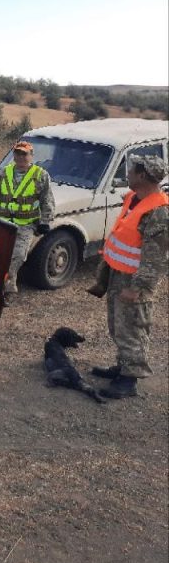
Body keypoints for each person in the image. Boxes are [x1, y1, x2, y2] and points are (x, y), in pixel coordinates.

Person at [89, 155, 168, 399]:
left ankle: (129, 379)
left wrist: (138, 288)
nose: (128, 174)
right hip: (118, 274)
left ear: (142, 175)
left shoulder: (158, 212)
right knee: (118, 326)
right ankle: (123, 366)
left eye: (131, 170)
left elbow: (156, 258)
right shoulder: (134, 198)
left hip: (134, 281)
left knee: (132, 328)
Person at [0, 141, 55, 303]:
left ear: (31, 156)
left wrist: (45, 221)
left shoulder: (41, 175)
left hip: (25, 224)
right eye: (17, 153)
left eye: (24, 154)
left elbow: (47, 200)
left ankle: (6, 288)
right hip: (1, 223)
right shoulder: (3, 173)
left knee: (18, 256)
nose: (21, 157)